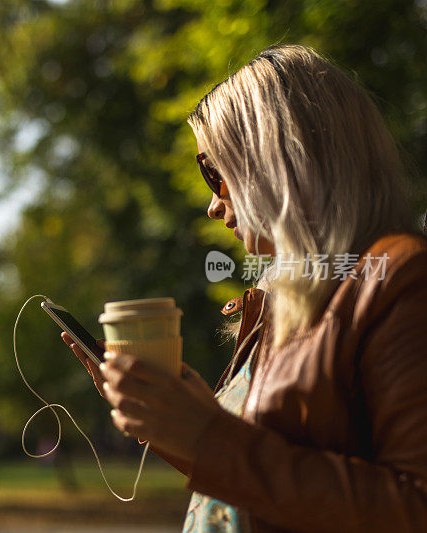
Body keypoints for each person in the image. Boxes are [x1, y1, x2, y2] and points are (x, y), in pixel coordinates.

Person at [62, 44, 427, 532]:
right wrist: (168, 422)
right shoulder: (286, 303)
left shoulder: (398, 280)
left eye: (214, 171)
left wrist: (208, 436)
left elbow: (413, 507)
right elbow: (249, 481)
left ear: (280, 157)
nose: (213, 206)